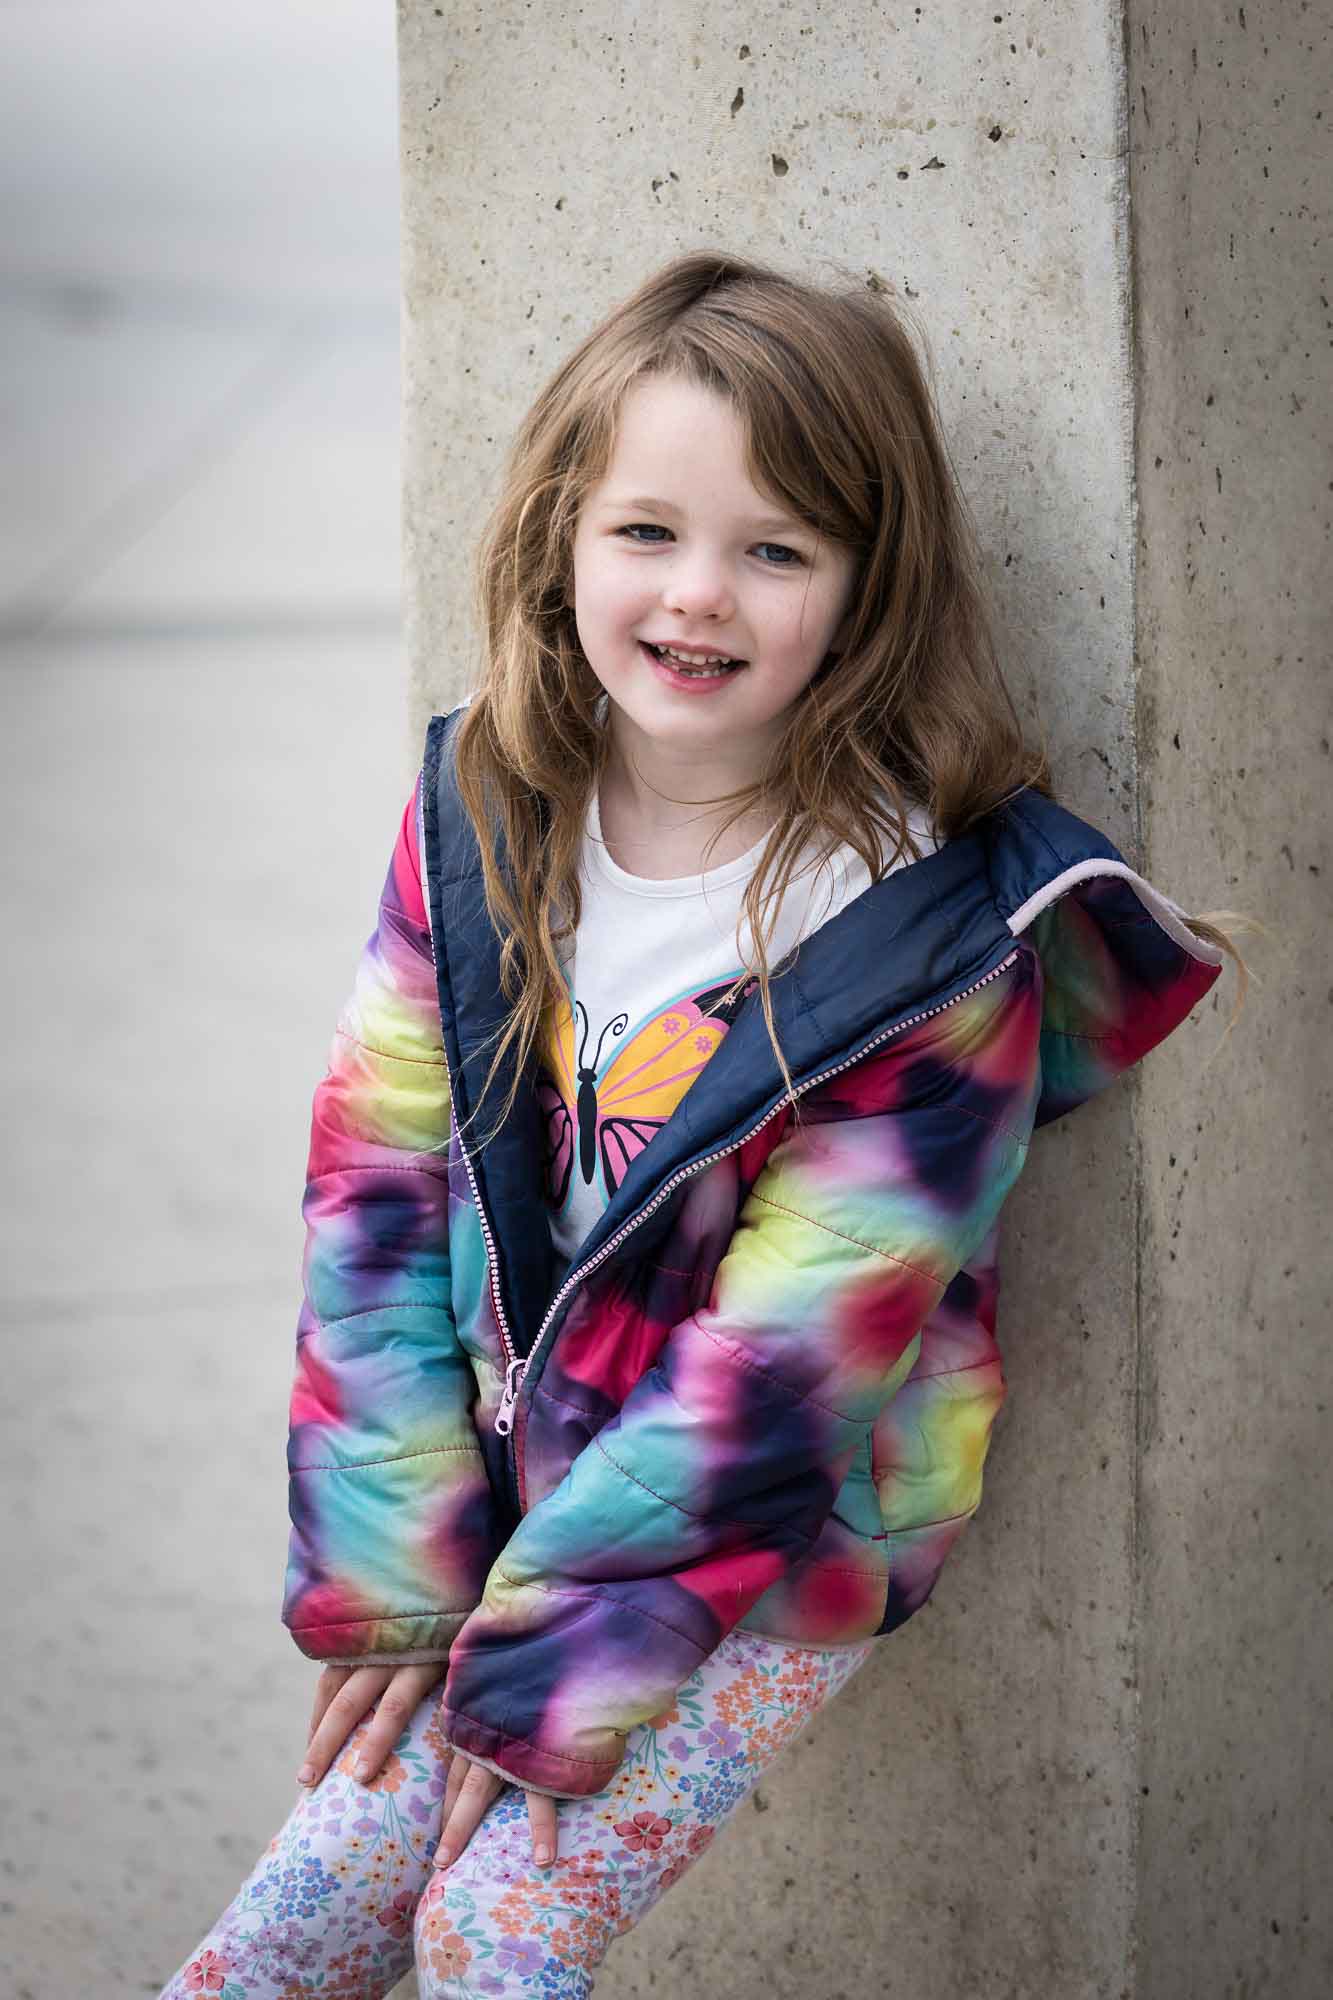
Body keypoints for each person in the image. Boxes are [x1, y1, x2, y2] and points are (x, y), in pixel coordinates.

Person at [158, 250, 1252, 1999]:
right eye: (648, 531)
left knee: (495, 1928)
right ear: (560, 538)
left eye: (776, 549)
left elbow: (786, 1367)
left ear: (864, 587)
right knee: (283, 1932)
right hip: (517, 1519)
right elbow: (377, 1189)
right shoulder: (483, 811)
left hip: (775, 1541)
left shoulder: (921, 939)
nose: (698, 596)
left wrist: (532, 1678)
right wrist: (403, 1582)